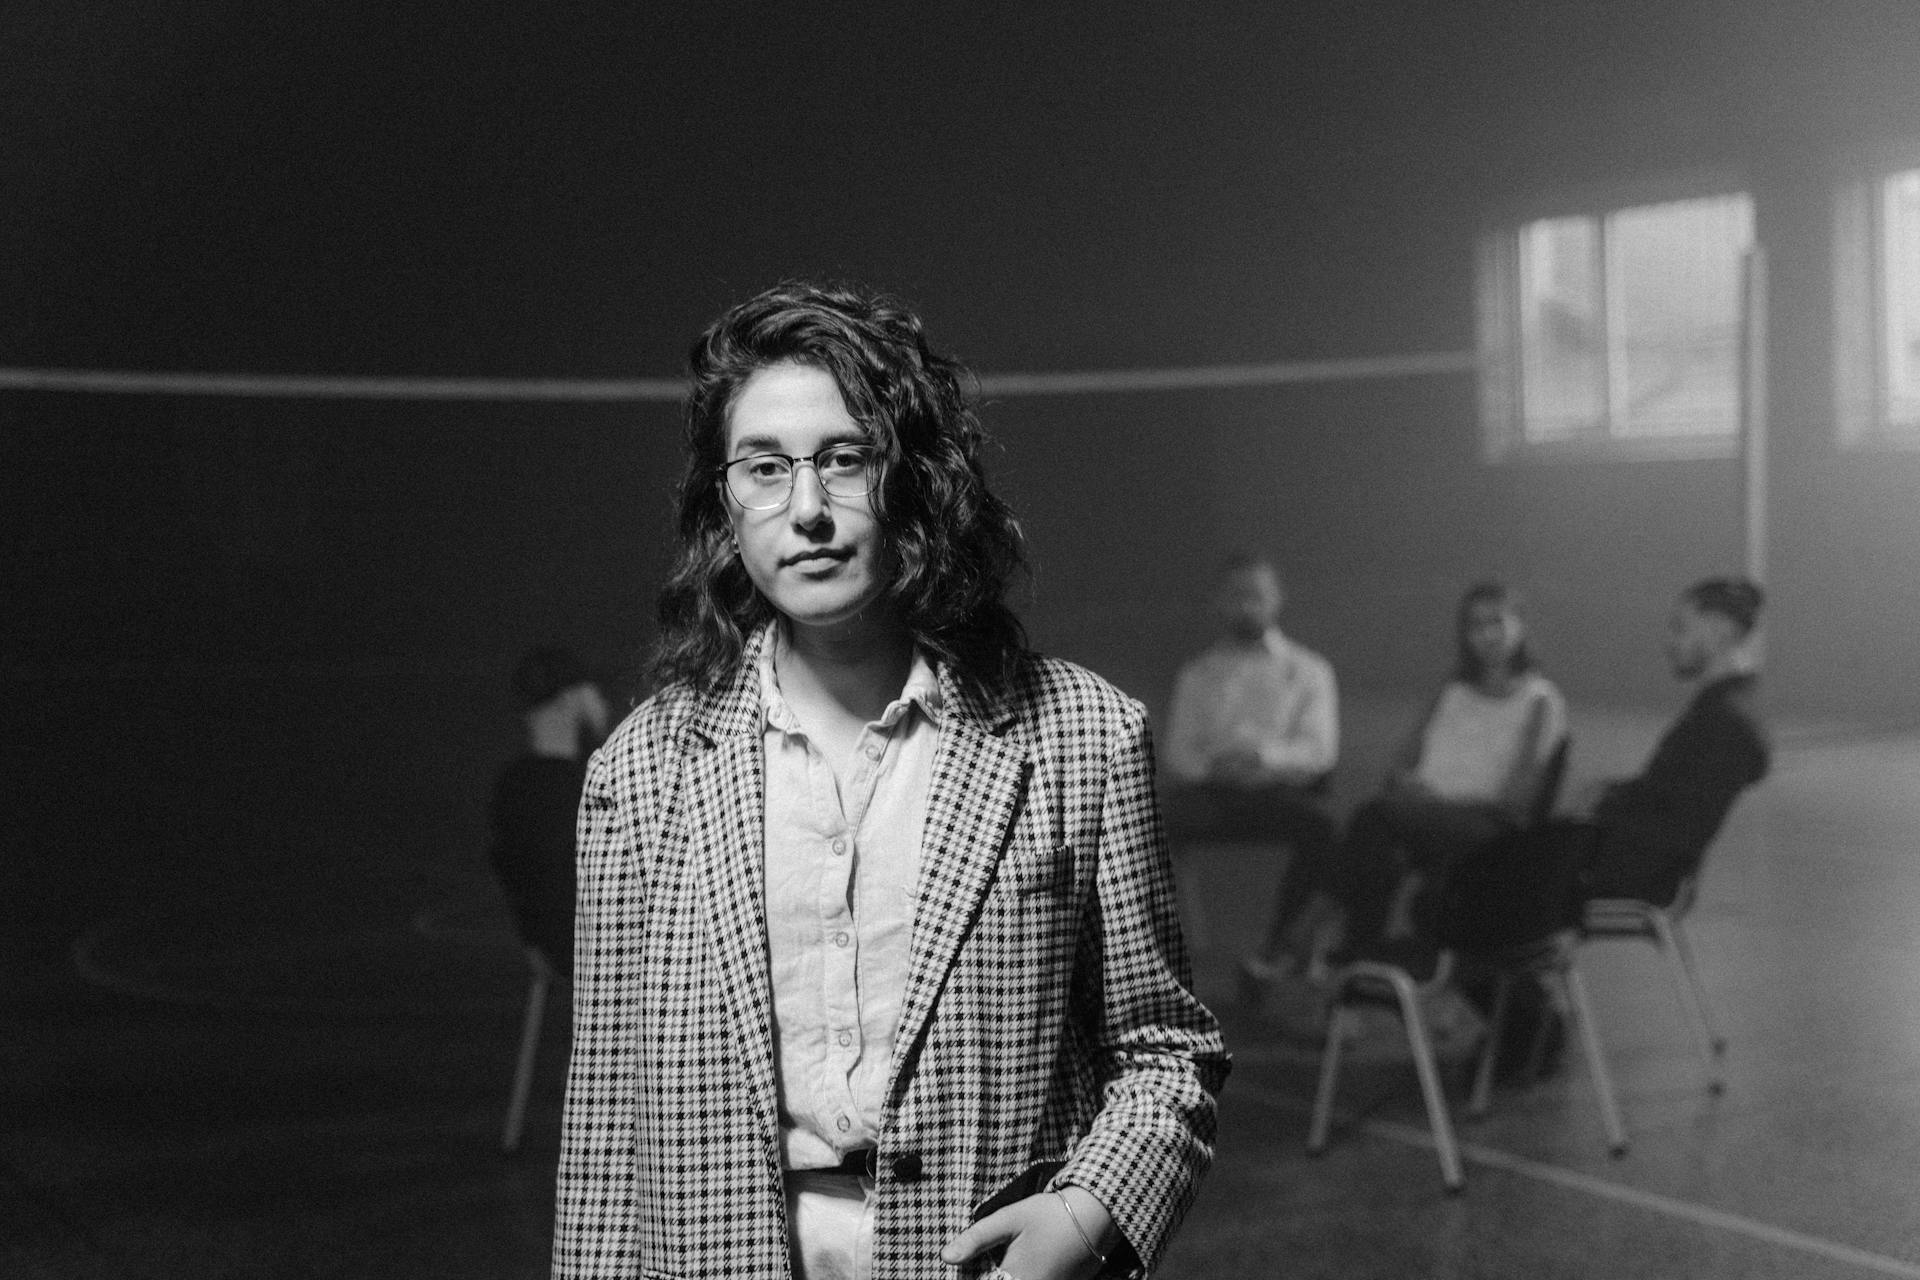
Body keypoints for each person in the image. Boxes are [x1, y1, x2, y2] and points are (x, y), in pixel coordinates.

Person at [552, 281, 1227, 1280]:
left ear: (911, 476)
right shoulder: (639, 771)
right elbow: (607, 1121)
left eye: (844, 459)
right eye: (767, 468)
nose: (809, 510)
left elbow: (1167, 1047)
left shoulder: (1085, 735)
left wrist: (1089, 1212)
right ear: (725, 499)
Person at [1330, 581, 1568, 973]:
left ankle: (1339, 953)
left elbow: (1518, 801)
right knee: (1377, 852)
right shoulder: (1452, 692)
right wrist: (1408, 784)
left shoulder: (1540, 701)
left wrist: (1438, 803)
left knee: (1373, 819)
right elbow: (1403, 763)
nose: (1487, 635)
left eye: (1497, 622)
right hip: (1426, 818)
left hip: (1488, 827)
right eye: (1476, 625)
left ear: (1520, 626)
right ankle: (1366, 968)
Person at [1159, 552, 1339, 985]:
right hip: (1213, 796)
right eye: (1236, 596)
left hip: (1279, 795)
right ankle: (1152, 958)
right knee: (1136, 826)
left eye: (1256, 595)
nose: (1247, 605)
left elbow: (1320, 751)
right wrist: (1217, 768)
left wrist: (1264, 758)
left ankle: (1278, 952)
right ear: (1220, 602)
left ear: (1277, 599)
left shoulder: (1308, 670)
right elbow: (1178, 752)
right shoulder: (1199, 673)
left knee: (1327, 834)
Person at [1576, 577, 1770, 905]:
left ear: (1719, 631)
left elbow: (1676, 830)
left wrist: (1591, 817)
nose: (1669, 642)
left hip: (1640, 873)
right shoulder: (1723, 708)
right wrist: (1604, 795)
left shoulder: (1724, 721)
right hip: (1636, 861)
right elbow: (1666, 798)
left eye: (1680, 628)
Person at [486, 646, 611, 973]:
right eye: (591, 688)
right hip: (599, 951)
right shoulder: (580, 788)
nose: (601, 699)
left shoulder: (513, 787)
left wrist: (533, 941)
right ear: (570, 698)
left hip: (555, 949)